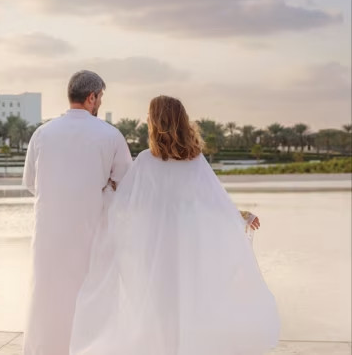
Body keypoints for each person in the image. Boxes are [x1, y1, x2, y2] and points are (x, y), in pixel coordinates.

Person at [70, 95, 280, 355]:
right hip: (187, 247)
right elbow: (213, 203)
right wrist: (240, 215)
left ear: (156, 123)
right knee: (187, 302)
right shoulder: (195, 160)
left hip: (154, 249)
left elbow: (125, 206)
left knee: (159, 305)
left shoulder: (146, 160)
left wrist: (106, 189)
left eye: (149, 117)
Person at [22, 70, 132, 355]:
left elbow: (32, 185)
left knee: (47, 298)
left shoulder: (42, 133)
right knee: (92, 297)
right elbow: (127, 186)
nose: (99, 105)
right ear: (91, 97)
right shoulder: (110, 135)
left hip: (48, 234)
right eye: (100, 99)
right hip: (91, 233)